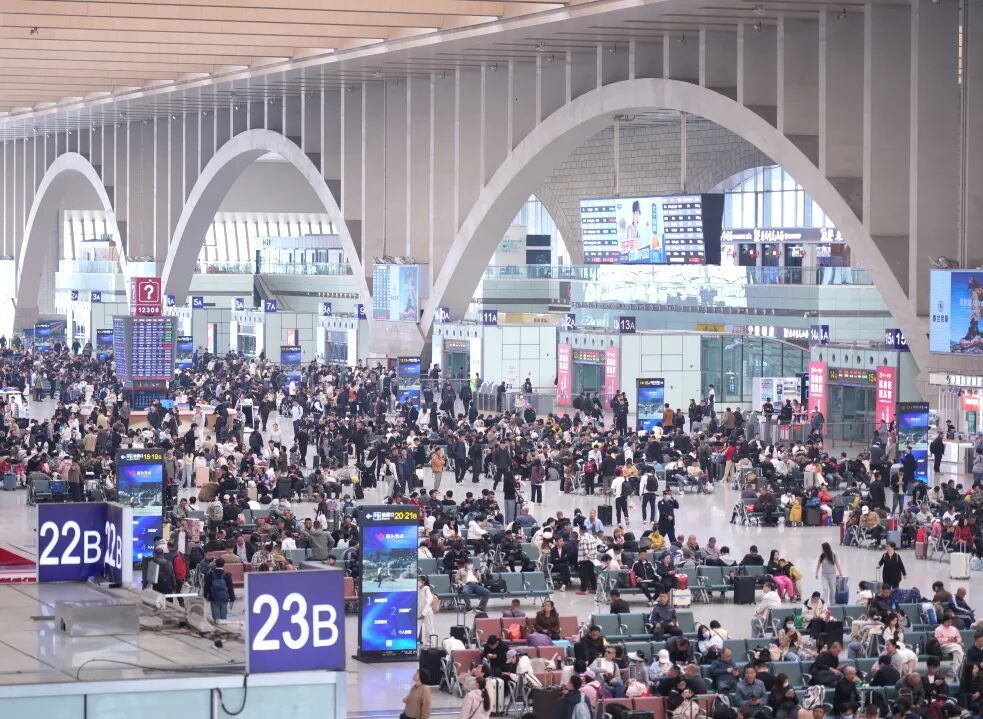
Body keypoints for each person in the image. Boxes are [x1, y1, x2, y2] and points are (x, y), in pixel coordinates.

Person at [418, 576, 436, 642]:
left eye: (419, 580)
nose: (418, 582)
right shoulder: (418, 590)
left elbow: (429, 601)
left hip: (427, 612)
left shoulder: (426, 589)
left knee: (429, 628)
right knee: (417, 627)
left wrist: (424, 613)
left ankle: (430, 642)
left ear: (423, 582)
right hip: (419, 612)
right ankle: (417, 640)